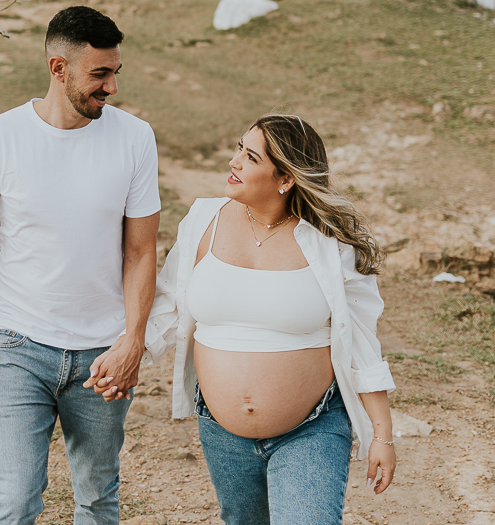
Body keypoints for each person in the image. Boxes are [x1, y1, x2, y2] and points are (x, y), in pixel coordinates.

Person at [0, 6, 161, 525]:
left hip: (104, 356)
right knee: (12, 503)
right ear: (58, 69)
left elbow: (142, 251)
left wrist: (133, 340)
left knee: (98, 498)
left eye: (115, 72)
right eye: (99, 74)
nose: (112, 87)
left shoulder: (134, 138)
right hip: (17, 345)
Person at [144, 114, 396, 525]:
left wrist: (382, 435)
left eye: (250, 156)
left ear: (285, 178)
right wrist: (125, 357)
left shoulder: (328, 244)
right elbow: (168, 305)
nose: (234, 162)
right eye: (238, 149)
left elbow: (362, 342)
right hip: (221, 431)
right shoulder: (202, 220)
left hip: (311, 427)